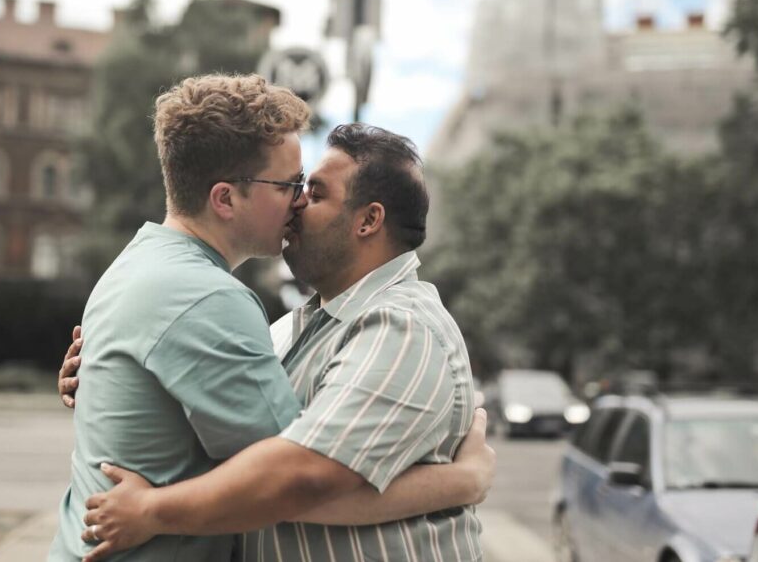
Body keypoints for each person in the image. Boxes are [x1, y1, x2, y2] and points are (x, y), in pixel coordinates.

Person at [60, 120, 491, 562]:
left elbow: (298, 480)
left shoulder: (403, 328)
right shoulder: (293, 327)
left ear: (368, 220)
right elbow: (241, 452)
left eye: (316, 193)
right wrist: (117, 373)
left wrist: (154, 510)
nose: (297, 202)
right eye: (295, 186)